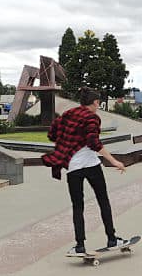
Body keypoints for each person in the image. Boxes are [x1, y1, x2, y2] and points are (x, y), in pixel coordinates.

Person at [42, 87, 129, 254]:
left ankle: (79, 245)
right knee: (103, 201)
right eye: (99, 103)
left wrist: (67, 142)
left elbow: (52, 133)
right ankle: (112, 239)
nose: (98, 106)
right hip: (91, 165)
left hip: (73, 167)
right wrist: (114, 161)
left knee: (77, 206)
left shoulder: (69, 114)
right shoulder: (92, 118)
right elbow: (93, 143)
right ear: (95, 102)